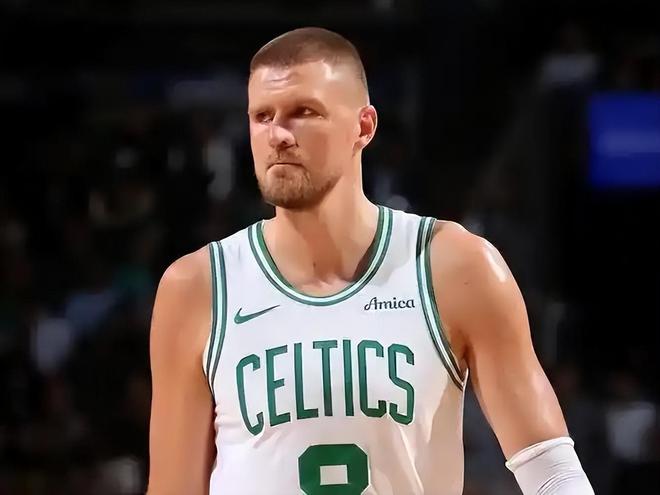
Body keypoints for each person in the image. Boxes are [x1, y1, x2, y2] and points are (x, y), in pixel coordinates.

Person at [147, 27, 594, 495]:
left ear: (363, 127)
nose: (278, 135)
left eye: (304, 112)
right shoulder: (198, 286)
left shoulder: (454, 266)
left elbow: (553, 474)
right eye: (262, 116)